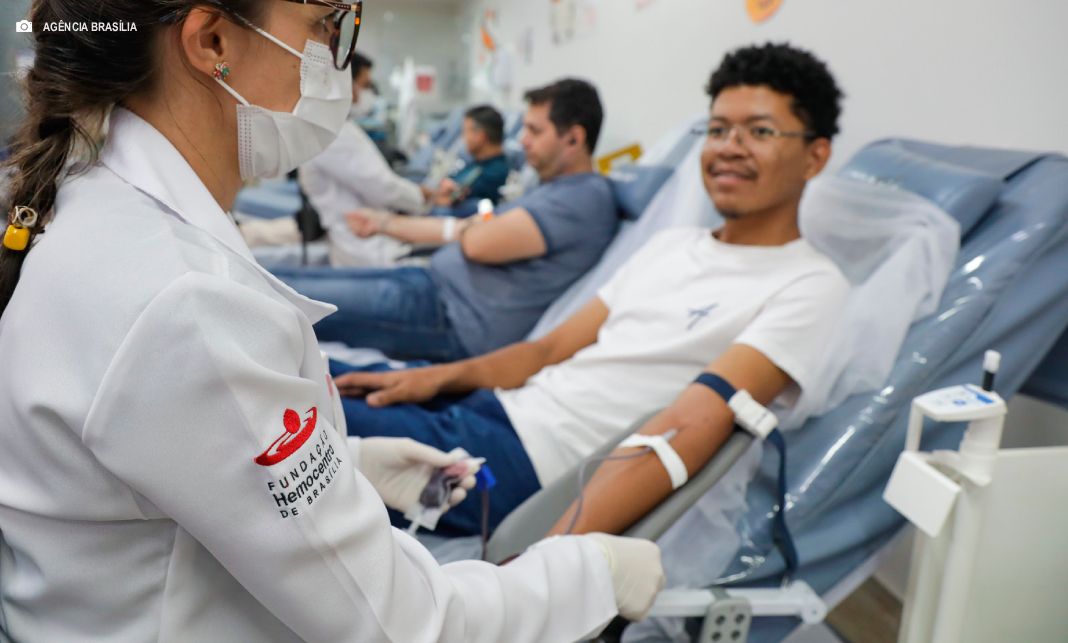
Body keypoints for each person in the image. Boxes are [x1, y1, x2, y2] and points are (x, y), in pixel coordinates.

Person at [0, 1, 664, 640]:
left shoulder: (100, 210)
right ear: (212, 43)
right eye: (323, 25)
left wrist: (348, 461)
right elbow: (408, 624)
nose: (331, 59)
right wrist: (590, 574)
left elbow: (182, 456)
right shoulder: (186, 303)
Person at [332, 43, 851, 539]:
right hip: (494, 408)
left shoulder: (808, 284)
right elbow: (549, 350)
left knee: (292, 421)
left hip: (527, 468)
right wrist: (434, 379)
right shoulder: (671, 246)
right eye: (717, 129)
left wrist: (549, 565)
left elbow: (692, 423)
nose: (728, 148)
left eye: (759, 131)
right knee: (312, 374)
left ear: (815, 155)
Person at [273, 78, 619, 362]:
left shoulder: (584, 198)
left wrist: (472, 229)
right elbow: (466, 231)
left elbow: (478, 242)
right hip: (431, 283)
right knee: (285, 283)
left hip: (451, 315)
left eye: (534, 130)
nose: (522, 140)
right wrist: (383, 223)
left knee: (289, 302)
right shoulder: (553, 190)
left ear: (574, 137)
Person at [298, 51, 431, 267]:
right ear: (345, 84)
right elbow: (382, 186)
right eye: (364, 85)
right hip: (366, 248)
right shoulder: (333, 134)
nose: (366, 93)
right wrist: (421, 197)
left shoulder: (341, 127)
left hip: (369, 237)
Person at [424, 105, 511, 213]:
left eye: (465, 131)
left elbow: (452, 199)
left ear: (480, 136)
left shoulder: (496, 172)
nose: (463, 137)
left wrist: (427, 197)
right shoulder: (476, 164)